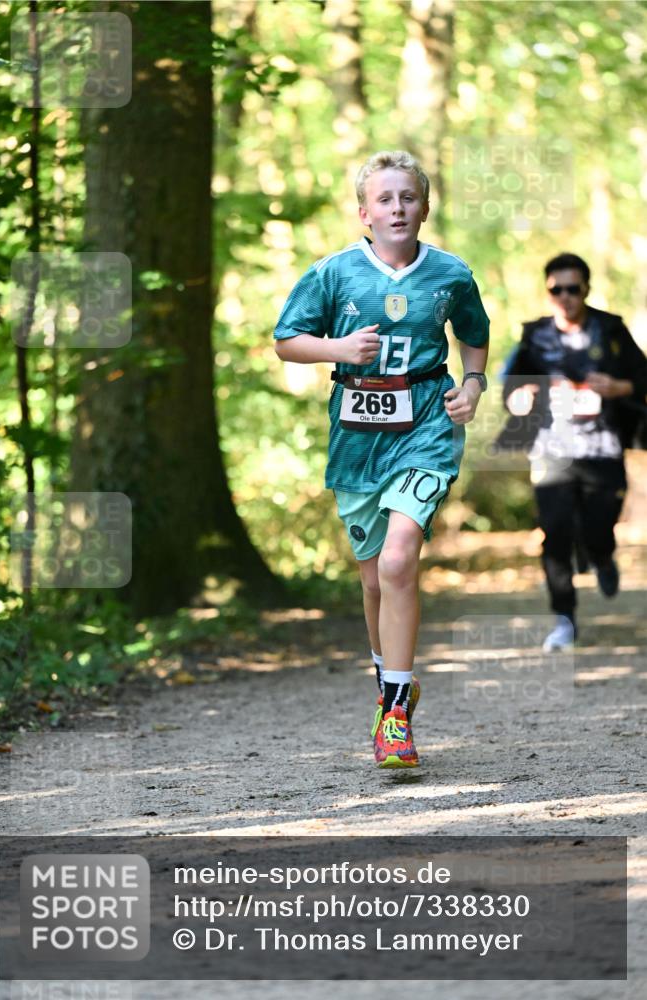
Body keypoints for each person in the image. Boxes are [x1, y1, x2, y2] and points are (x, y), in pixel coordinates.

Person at [274, 150, 490, 768]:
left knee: (398, 563)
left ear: (425, 207)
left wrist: (472, 386)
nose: (398, 208)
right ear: (364, 212)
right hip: (357, 433)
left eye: (409, 198)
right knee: (373, 578)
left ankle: (395, 715)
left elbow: (474, 334)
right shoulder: (333, 273)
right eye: (386, 199)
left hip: (426, 423)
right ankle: (389, 683)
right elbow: (287, 341)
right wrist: (339, 347)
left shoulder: (450, 274)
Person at [496, 253, 646, 651]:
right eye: (556, 289)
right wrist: (521, 398)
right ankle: (564, 619)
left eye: (572, 289)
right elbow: (508, 388)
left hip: (603, 448)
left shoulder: (610, 330)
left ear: (586, 290)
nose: (565, 296)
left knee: (599, 525)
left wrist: (617, 387)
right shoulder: (534, 336)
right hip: (552, 450)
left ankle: (600, 553)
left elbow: (642, 377)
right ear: (547, 293)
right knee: (555, 532)